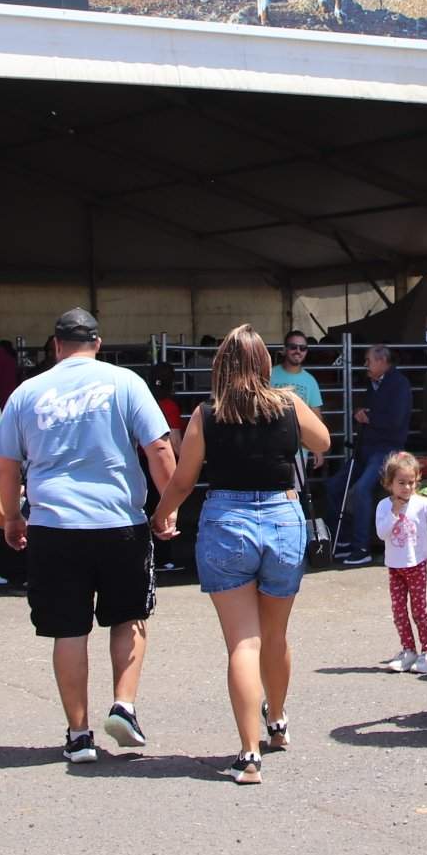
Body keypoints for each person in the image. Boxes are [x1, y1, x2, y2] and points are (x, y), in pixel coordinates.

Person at [0, 307, 174, 764]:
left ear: (55, 346)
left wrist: (14, 517)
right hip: (119, 521)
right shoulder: (125, 383)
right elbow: (158, 446)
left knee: (68, 630)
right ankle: (124, 705)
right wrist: (167, 508)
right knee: (128, 616)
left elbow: (8, 464)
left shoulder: (26, 392)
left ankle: (78, 734)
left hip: (54, 525)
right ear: (98, 343)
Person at [150, 325, 330, 784]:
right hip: (283, 518)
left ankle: (249, 756)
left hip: (227, 522)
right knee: (276, 635)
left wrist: (163, 513)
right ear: (266, 364)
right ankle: (278, 720)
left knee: (242, 643)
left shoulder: (207, 414)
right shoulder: (288, 403)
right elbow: (323, 441)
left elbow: (185, 479)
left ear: (222, 366)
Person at [341, 345, 412, 567]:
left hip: (387, 449)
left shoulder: (399, 385)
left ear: (382, 361)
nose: (366, 365)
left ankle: (360, 547)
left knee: (361, 490)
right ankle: (342, 539)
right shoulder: (374, 384)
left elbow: (396, 422)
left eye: (368, 361)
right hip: (368, 448)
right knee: (335, 486)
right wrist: (359, 413)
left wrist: (368, 418)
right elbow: (368, 410)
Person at [375, 453, 427, 675]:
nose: (406, 488)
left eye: (410, 483)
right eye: (401, 483)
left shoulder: (421, 504)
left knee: (420, 609)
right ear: (389, 483)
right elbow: (381, 533)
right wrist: (394, 513)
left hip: (417, 564)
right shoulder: (384, 506)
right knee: (399, 610)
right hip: (395, 566)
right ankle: (408, 649)